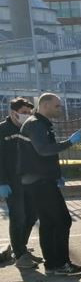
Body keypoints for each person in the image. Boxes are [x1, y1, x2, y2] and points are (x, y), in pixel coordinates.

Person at [19, 93, 81, 276]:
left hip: (39, 181)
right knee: (62, 220)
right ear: (46, 105)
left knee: (49, 223)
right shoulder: (35, 124)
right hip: (40, 182)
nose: (60, 109)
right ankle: (61, 263)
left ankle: (53, 264)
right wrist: (69, 142)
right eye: (57, 106)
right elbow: (43, 150)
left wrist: (56, 174)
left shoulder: (39, 124)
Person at [1, 98, 43, 269]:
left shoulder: (29, 129)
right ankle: (20, 255)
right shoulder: (2, 130)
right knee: (18, 217)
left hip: (30, 181)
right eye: (24, 112)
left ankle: (22, 248)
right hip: (11, 183)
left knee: (32, 215)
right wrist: (1, 182)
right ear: (13, 112)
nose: (27, 115)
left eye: (28, 112)